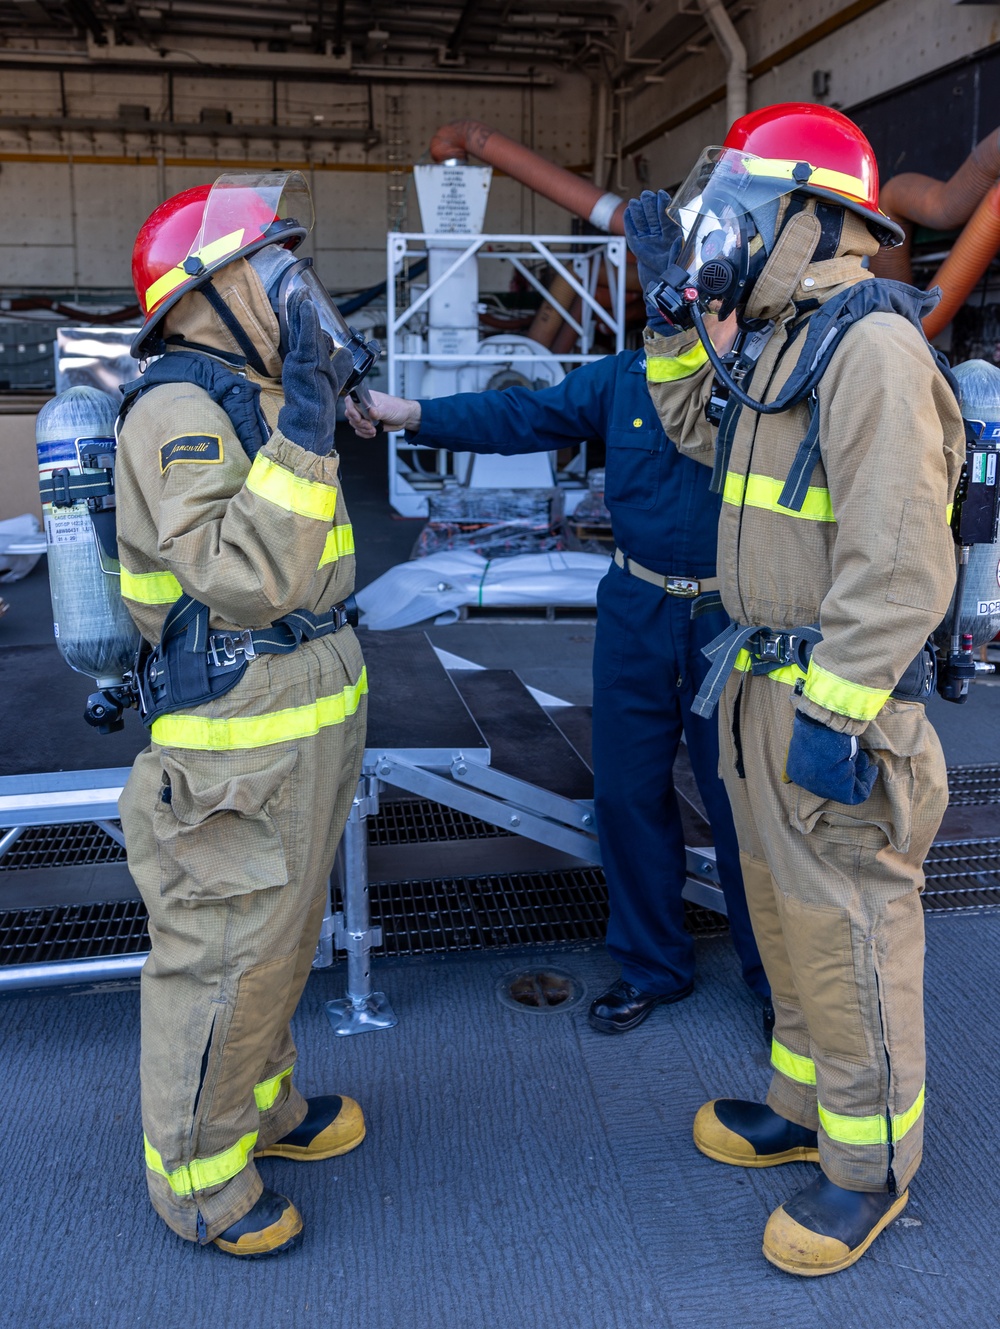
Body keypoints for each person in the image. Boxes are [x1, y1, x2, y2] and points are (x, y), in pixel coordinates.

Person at [630, 103, 964, 1275]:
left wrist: (837, 711)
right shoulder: (783, 342)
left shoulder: (869, 348)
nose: (723, 234)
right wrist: (677, 315)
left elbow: (902, 561)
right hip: (760, 685)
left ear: (810, 222)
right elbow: (692, 429)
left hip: (834, 699)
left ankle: (866, 1170)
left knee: (852, 933)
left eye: (741, 215)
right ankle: (802, 1103)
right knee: (780, 913)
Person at [345, 314, 771, 1035]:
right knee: (627, 794)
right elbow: (523, 414)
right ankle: (652, 967)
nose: (682, 312)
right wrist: (409, 413)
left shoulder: (765, 386)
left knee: (742, 804)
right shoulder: (623, 379)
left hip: (727, 618)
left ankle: (774, 981)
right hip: (636, 608)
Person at [116, 172, 373, 1257]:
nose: (295, 288)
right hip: (238, 725)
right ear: (203, 294)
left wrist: (307, 409)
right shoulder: (181, 408)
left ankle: (259, 1110)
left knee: (277, 937)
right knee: (222, 950)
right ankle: (200, 1180)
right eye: (272, 268)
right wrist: (310, 425)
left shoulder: (251, 391)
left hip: (302, 707)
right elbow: (241, 577)